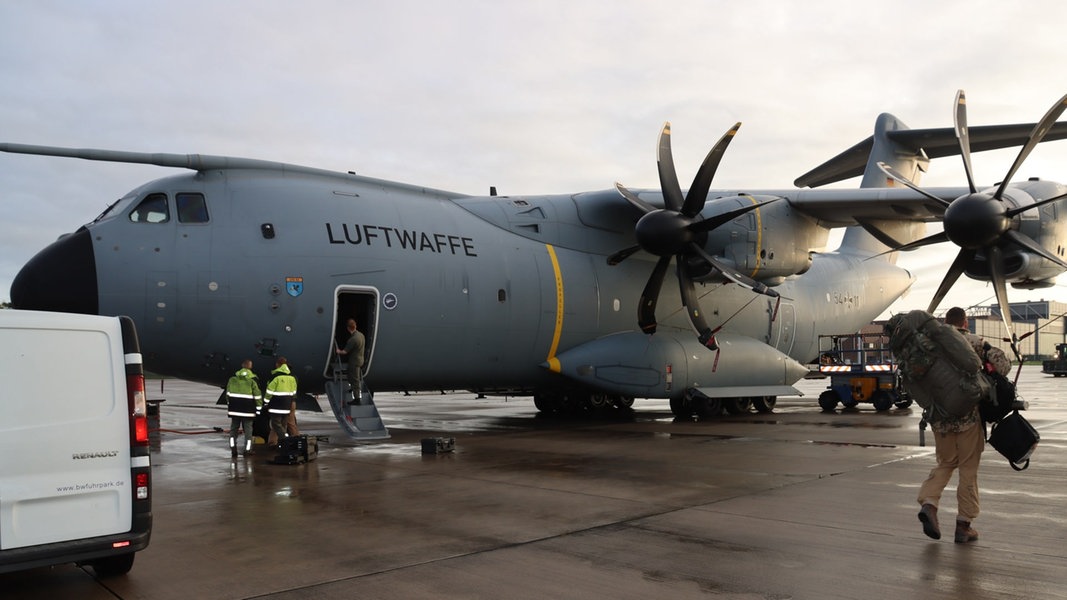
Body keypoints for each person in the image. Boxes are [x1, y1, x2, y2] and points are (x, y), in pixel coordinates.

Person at [917, 306, 1010, 543]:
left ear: (945, 322)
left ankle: (929, 503)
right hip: (968, 417)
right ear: (964, 322)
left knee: (945, 462)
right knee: (968, 468)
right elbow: (1003, 365)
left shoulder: (929, 344)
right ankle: (963, 525)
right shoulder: (971, 341)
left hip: (939, 417)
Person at [225, 360, 262, 457]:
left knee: (233, 430)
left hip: (235, 410)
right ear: (250, 367)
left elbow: (228, 395)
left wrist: (231, 405)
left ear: (241, 366)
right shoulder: (252, 380)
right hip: (248, 410)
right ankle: (247, 450)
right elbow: (257, 396)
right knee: (248, 431)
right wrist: (258, 410)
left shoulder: (232, 379)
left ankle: (233, 449)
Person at [264, 357, 299, 447]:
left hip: (278, 404)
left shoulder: (276, 377)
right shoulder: (292, 378)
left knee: (276, 424)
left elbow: (269, 391)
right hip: (290, 402)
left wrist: (266, 402)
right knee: (286, 424)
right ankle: (295, 440)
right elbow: (294, 391)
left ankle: (281, 440)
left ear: (278, 365)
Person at [336, 318, 366, 405]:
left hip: (354, 362)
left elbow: (345, 352)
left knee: (355, 380)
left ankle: (357, 399)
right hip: (360, 360)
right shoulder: (361, 335)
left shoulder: (352, 340)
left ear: (348, 328)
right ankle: (353, 389)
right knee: (352, 376)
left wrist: (338, 351)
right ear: (355, 326)